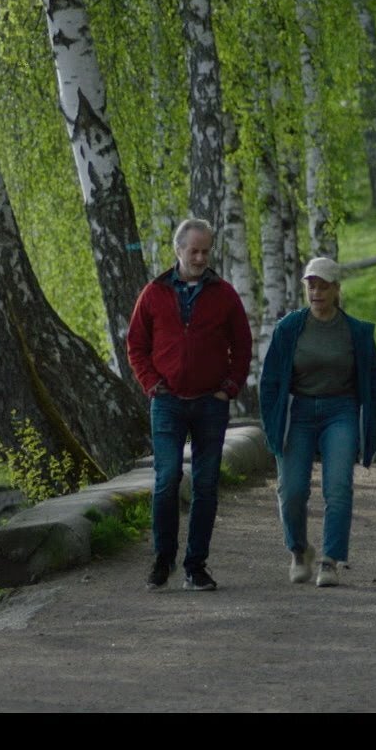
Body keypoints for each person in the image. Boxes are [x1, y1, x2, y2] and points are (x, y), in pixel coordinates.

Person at [126, 217, 252, 591]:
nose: (200, 258)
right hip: (167, 403)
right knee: (167, 480)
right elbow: (136, 345)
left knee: (206, 484)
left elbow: (243, 346)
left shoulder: (224, 295)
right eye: (194, 251)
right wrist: (152, 384)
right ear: (178, 250)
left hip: (211, 403)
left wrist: (230, 386)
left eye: (205, 252)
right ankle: (162, 559)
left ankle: (195, 566)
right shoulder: (153, 293)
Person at [258, 257, 376, 588]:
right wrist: (272, 425)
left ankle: (330, 560)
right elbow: (270, 381)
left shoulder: (357, 332)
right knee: (292, 490)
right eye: (311, 286)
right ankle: (299, 551)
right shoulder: (289, 328)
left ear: (336, 289)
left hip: (340, 411)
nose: (316, 293)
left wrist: (370, 426)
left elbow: (374, 380)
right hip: (298, 411)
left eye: (323, 286)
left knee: (338, 487)